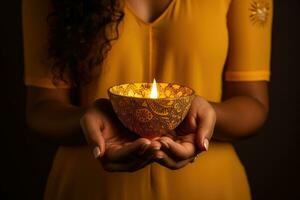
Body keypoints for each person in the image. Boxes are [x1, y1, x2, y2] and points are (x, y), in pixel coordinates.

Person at [23, 0, 273, 199]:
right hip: (89, 187)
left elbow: (253, 103)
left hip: (208, 189)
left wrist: (207, 116)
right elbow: (41, 108)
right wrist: (87, 120)